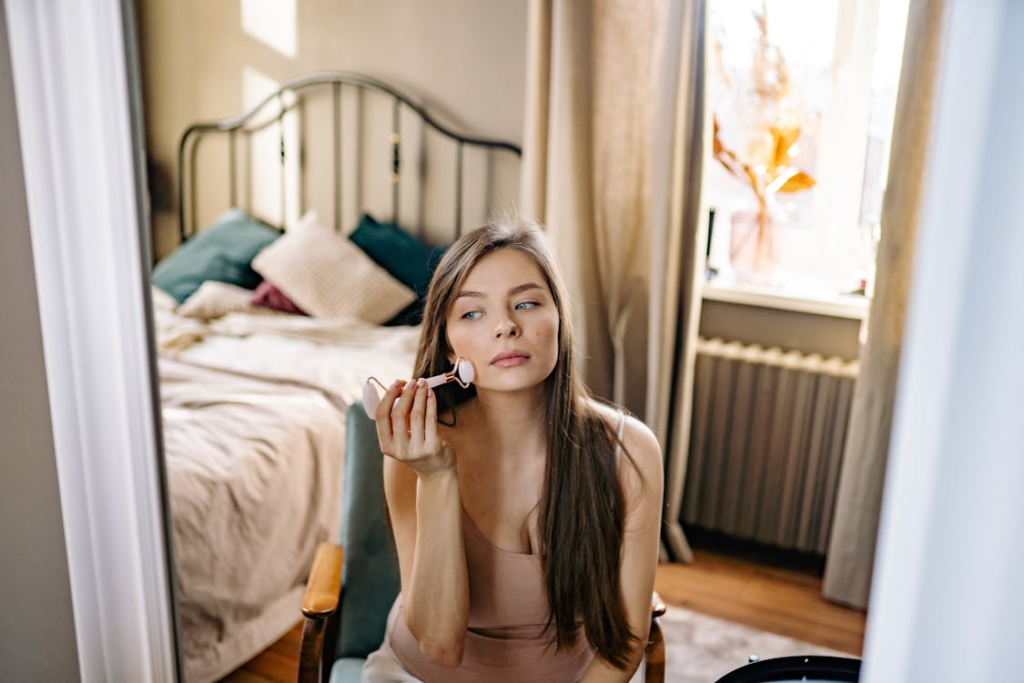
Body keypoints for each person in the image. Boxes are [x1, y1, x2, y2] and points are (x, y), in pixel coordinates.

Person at [363, 216, 663, 682]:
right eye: (473, 313)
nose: (505, 327)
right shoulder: (416, 454)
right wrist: (437, 476)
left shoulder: (631, 452)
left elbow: (624, 643)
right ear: (448, 351)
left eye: (526, 303)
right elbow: (440, 646)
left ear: (559, 319)